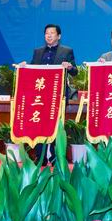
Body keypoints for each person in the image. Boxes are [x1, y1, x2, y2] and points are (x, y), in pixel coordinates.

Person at [21, 24, 77, 165]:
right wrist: (24, 67)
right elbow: (32, 70)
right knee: (38, 124)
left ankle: (55, 156)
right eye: (46, 33)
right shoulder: (38, 51)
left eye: (52, 33)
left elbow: (75, 71)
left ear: (59, 36)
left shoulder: (67, 51)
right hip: (40, 96)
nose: (49, 35)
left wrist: (70, 67)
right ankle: (40, 157)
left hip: (57, 96)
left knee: (55, 126)